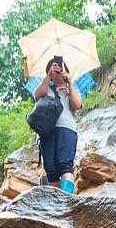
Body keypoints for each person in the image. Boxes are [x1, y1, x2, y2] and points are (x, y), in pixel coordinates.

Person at [33, 56, 83, 193]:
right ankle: (56, 204)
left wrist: (70, 82)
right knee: (51, 170)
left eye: (61, 67)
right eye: (54, 67)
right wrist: (49, 76)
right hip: (47, 132)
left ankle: (66, 198)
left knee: (66, 166)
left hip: (67, 129)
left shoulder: (71, 89)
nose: (58, 69)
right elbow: (37, 95)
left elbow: (77, 104)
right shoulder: (46, 89)